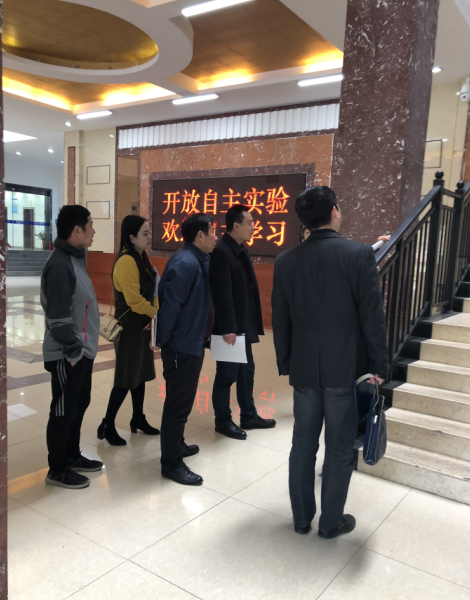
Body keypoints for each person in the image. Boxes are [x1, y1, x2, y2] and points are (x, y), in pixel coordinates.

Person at [272, 186, 388, 540]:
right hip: (344, 368)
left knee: (302, 446)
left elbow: (281, 318)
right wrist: (379, 365)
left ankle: (301, 519)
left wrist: (286, 361)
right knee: (338, 448)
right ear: (335, 211)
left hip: (305, 368)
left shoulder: (286, 260)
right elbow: (372, 317)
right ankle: (330, 522)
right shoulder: (358, 255)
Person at [41, 205, 102, 489]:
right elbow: (59, 318)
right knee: (63, 410)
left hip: (81, 351)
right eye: (90, 225)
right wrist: (74, 351)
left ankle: (71, 455)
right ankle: (57, 469)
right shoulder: (60, 265)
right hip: (68, 354)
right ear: (77, 230)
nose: (93, 231)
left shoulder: (76, 257)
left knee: (78, 405)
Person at [157, 213, 218, 486]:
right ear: (200, 235)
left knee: (182, 402)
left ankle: (177, 444)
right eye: (212, 231)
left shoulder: (197, 260)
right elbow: (170, 308)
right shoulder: (185, 263)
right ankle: (171, 464)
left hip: (191, 343)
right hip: (181, 346)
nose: (216, 236)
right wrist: (167, 343)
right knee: (177, 406)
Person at [209, 204, 276, 440]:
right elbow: (222, 295)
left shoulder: (238, 248)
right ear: (236, 226)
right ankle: (222, 421)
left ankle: (249, 415)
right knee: (227, 375)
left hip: (241, 326)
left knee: (247, 371)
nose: (253, 227)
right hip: (229, 329)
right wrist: (228, 328)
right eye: (250, 223)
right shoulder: (221, 252)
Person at [97, 215, 160, 446]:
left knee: (139, 373)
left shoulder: (141, 257)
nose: (149, 237)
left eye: (149, 232)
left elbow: (152, 292)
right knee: (126, 377)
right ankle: (107, 424)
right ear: (131, 237)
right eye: (145, 233)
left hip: (142, 324)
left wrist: (154, 312)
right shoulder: (126, 261)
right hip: (129, 328)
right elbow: (134, 300)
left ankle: (138, 418)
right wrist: (156, 314)